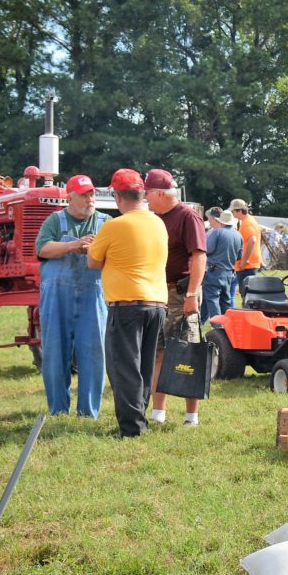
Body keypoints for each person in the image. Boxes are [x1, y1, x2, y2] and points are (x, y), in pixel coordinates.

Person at [87, 169, 168, 438]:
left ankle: (132, 429)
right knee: (144, 366)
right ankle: (138, 420)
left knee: (124, 368)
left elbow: (93, 261)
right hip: (157, 303)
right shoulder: (158, 223)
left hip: (127, 304)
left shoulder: (113, 226)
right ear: (142, 194)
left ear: (117, 196)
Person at [35, 173, 109, 418]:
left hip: (93, 294)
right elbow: (43, 248)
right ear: (70, 198)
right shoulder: (55, 221)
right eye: (84, 195)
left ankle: (88, 412)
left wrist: (94, 249)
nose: (90, 199)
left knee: (93, 353)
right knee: (55, 353)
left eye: (92, 194)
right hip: (57, 296)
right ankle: (58, 410)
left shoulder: (106, 222)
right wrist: (72, 246)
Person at [143, 169, 207, 427]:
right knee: (159, 352)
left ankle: (192, 417)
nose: (145, 198)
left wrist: (191, 294)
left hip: (181, 293)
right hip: (159, 292)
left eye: (147, 193)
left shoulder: (187, 216)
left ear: (160, 193)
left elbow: (199, 256)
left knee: (188, 353)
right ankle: (158, 413)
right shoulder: (154, 218)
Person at [202, 208, 242, 324]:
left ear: (221, 221)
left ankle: (218, 327)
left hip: (215, 271)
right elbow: (239, 256)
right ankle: (229, 326)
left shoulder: (217, 232)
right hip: (229, 272)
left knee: (212, 298)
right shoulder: (238, 235)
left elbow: (208, 249)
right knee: (226, 301)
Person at [230, 199, 262, 297]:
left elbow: (252, 240)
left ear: (239, 210)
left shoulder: (246, 223)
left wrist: (244, 261)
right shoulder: (250, 219)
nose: (232, 213)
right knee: (249, 295)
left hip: (247, 265)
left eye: (233, 211)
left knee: (246, 296)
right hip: (251, 264)